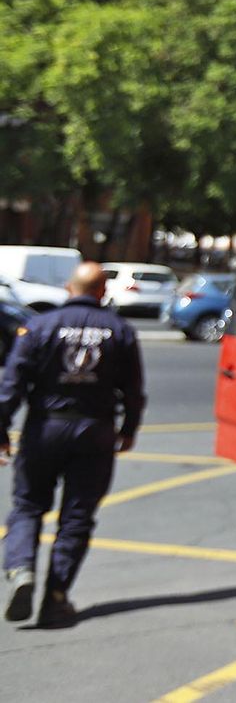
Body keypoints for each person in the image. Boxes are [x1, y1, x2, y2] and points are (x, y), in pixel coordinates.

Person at [1, 262, 144, 628]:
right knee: (77, 517)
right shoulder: (120, 331)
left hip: (45, 427)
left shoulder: (39, 326)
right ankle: (56, 597)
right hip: (95, 432)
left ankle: (20, 568)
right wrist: (128, 429)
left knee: (28, 505)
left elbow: (12, 384)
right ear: (101, 292)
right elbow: (133, 391)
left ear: (69, 288)